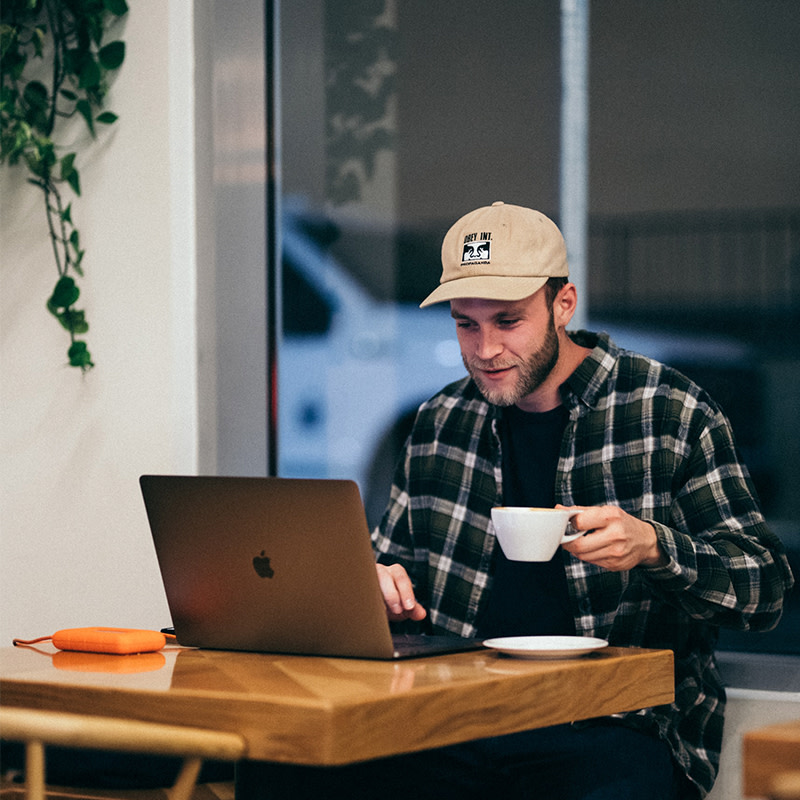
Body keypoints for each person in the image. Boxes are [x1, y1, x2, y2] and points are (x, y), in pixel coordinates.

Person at [371, 201, 794, 799]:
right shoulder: (441, 420)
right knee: (288, 765)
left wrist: (654, 547)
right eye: (466, 324)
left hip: (612, 725)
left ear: (563, 305)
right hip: (453, 717)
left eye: (508, 321)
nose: (485, 350)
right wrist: (380, 588)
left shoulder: (668, 411)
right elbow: (389, 569)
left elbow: (767, 590)